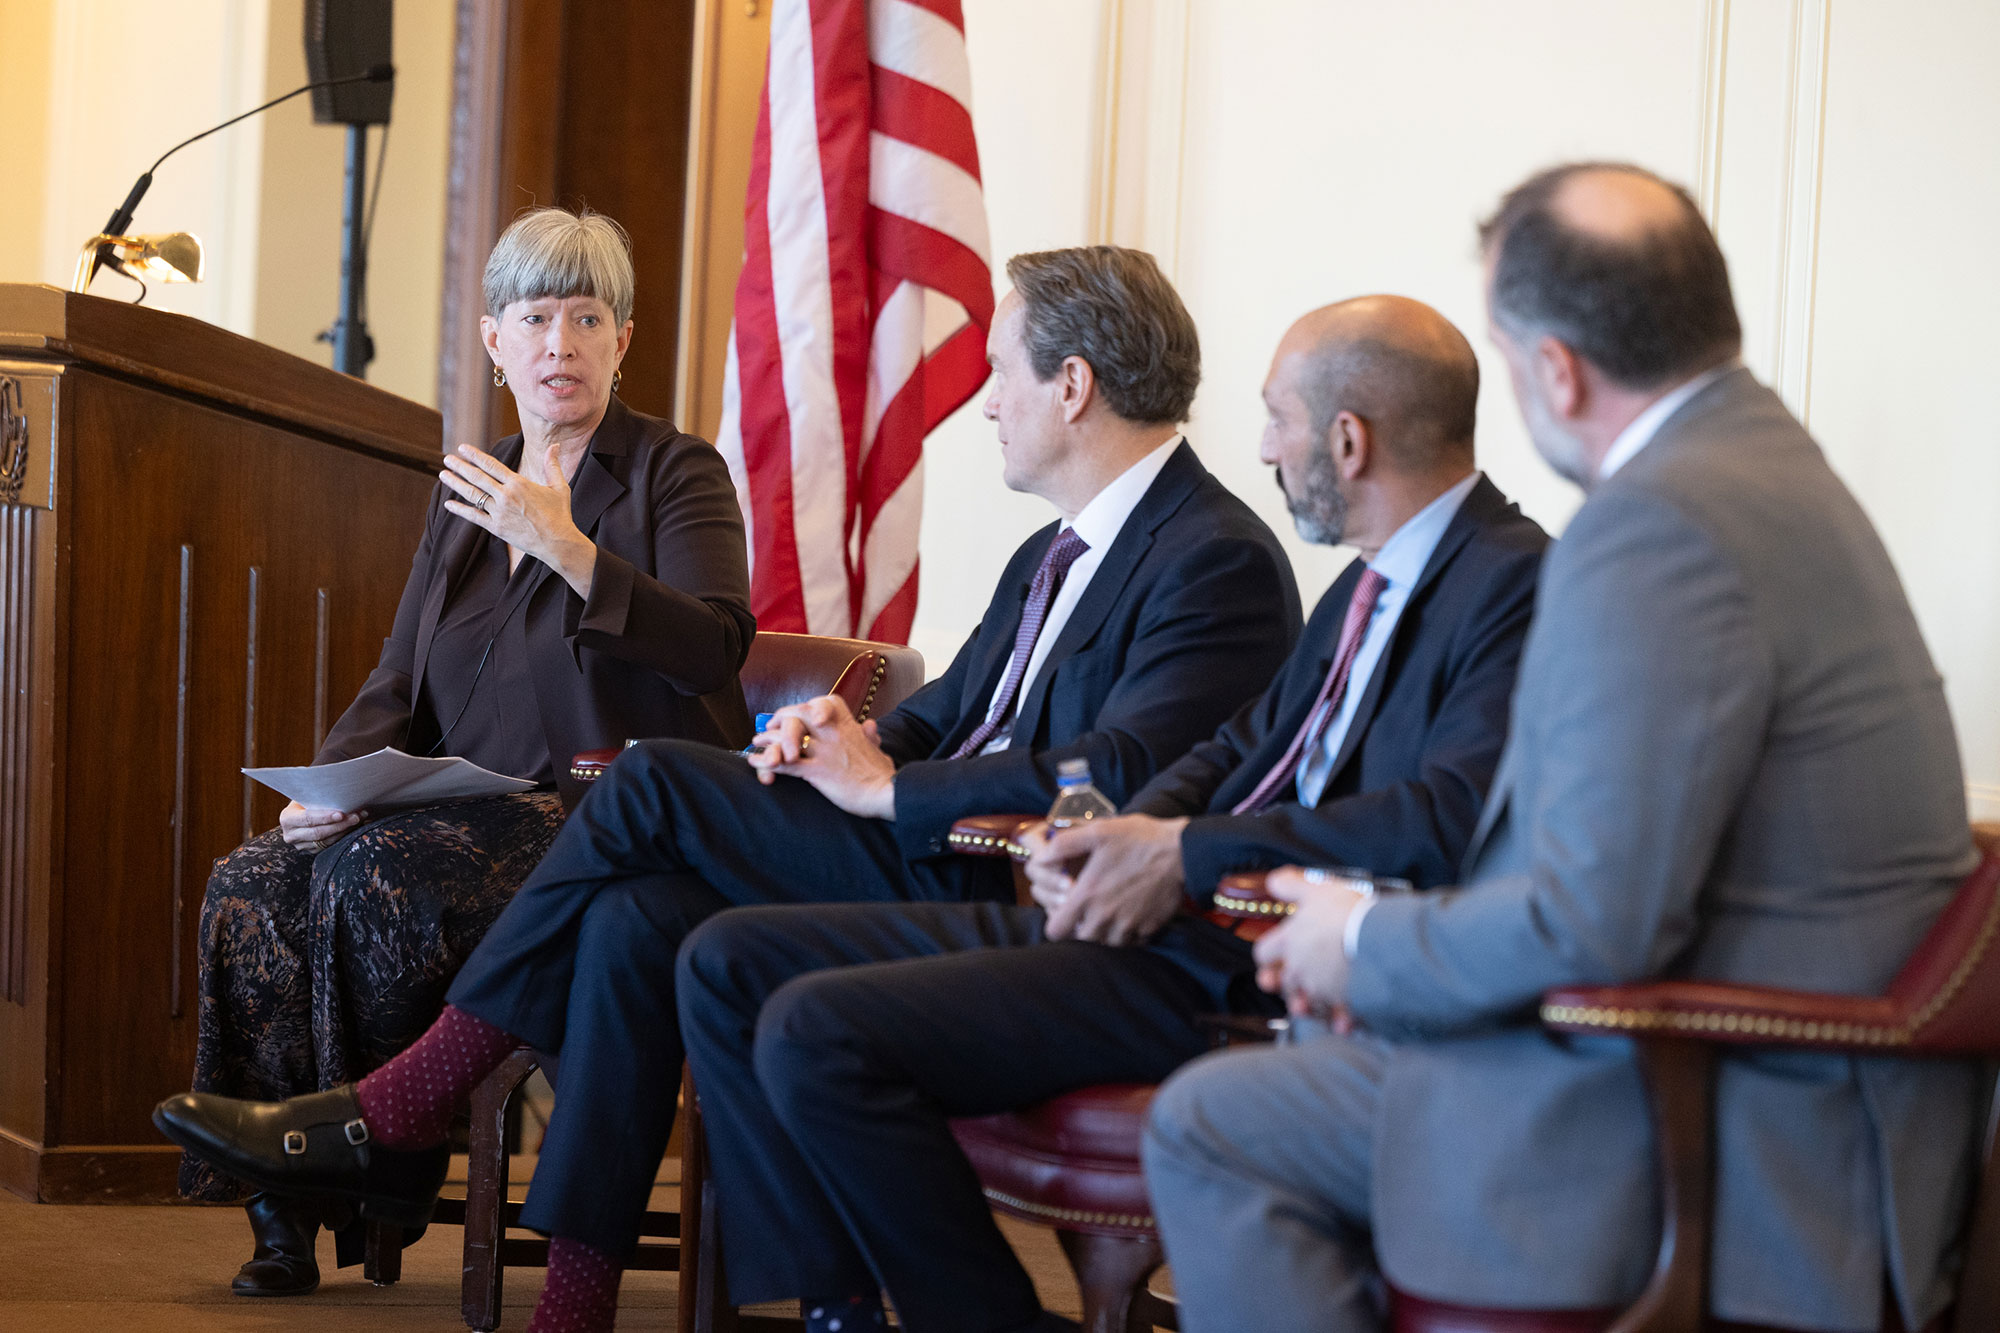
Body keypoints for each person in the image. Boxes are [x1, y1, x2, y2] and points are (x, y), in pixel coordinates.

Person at [157, 245, 1304, 1331]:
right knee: (637, 917)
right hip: (920, 838)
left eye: (997, 370)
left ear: (1071, 384)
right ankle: (605, 1295)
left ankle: (405, 1099)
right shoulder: (1053, 549)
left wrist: (878, 791)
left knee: (649, 780)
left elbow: (1120, 776)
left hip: (1002, 877)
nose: (985, 400)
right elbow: (947, 713)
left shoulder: (1212, 554)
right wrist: (839, 729)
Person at [1143, 163, 1984, 1333]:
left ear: (1554, 367)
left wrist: (1365, 945)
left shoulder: (1654, 526)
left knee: (1210, 1122)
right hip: (1784, 1079)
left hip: (1727, 1119)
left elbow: (1594, 918)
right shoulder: (1766, 471)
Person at [660, 295, 1549, 1333]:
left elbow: (1434, 819)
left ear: (1347, 441)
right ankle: (841, 1306)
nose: (1261, 447)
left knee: (818, 1026)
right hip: (1149, 917)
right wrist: (1118, 839)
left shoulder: (1512, 583)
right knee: (727, 956)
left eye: (1276, 418)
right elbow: (1236, 748)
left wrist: (1179, 853)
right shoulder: (1364, 581)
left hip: (1237, 962)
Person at [181, 206, 754, 1297]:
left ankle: (376, 1167)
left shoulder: (674, 473)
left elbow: (716, 643)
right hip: (443, 805)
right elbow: (400, 673)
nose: (561, 344)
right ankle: (282, 1212)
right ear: (495, 340)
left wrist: (569, 548)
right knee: (253, 880)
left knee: (378, 875)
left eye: (587, 316)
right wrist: (328, 787)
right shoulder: (470, 483)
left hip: (590, 819)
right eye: (536, 317)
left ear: (622, 339)